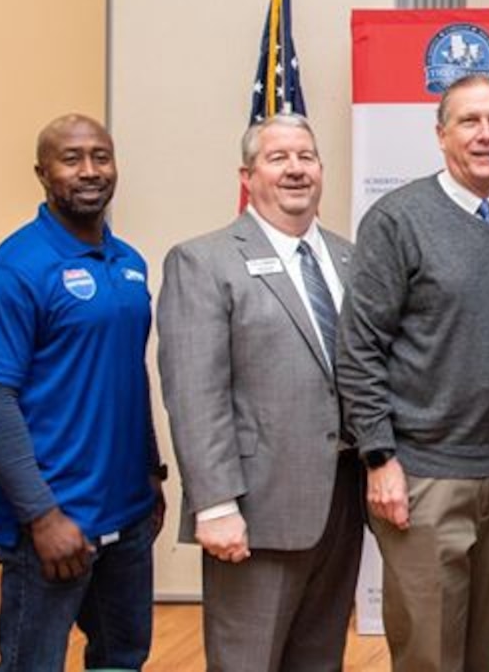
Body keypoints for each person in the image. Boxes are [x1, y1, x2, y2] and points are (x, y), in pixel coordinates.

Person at [335, 75, 489, 672]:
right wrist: (379, 458)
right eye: (469, 121)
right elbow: (358, 349)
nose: (485, 134)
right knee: (430, 658)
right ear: (441, 135)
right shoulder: (398, 219)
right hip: (423, 477)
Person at [158, 115, 364, 671]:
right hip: (255, 510)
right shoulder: (204, 261)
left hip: (341, 502)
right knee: (248, 661)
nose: (295, 169)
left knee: (321, 659)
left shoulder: (349, 259)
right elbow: (195, 395)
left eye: (306, 157)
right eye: (278, 158)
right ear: (248, 175)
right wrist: (216, 504)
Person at [0, 114, 164, 671]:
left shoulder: (129, 264)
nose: (90, 170)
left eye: (101, 156)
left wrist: (151, 471)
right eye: (72, 159)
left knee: (123, 657)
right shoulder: (11, 271)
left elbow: (129, 373)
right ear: (42, 172)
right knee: (32, 664)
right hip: (51, 522)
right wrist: (42, 515)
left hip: (127, 511)